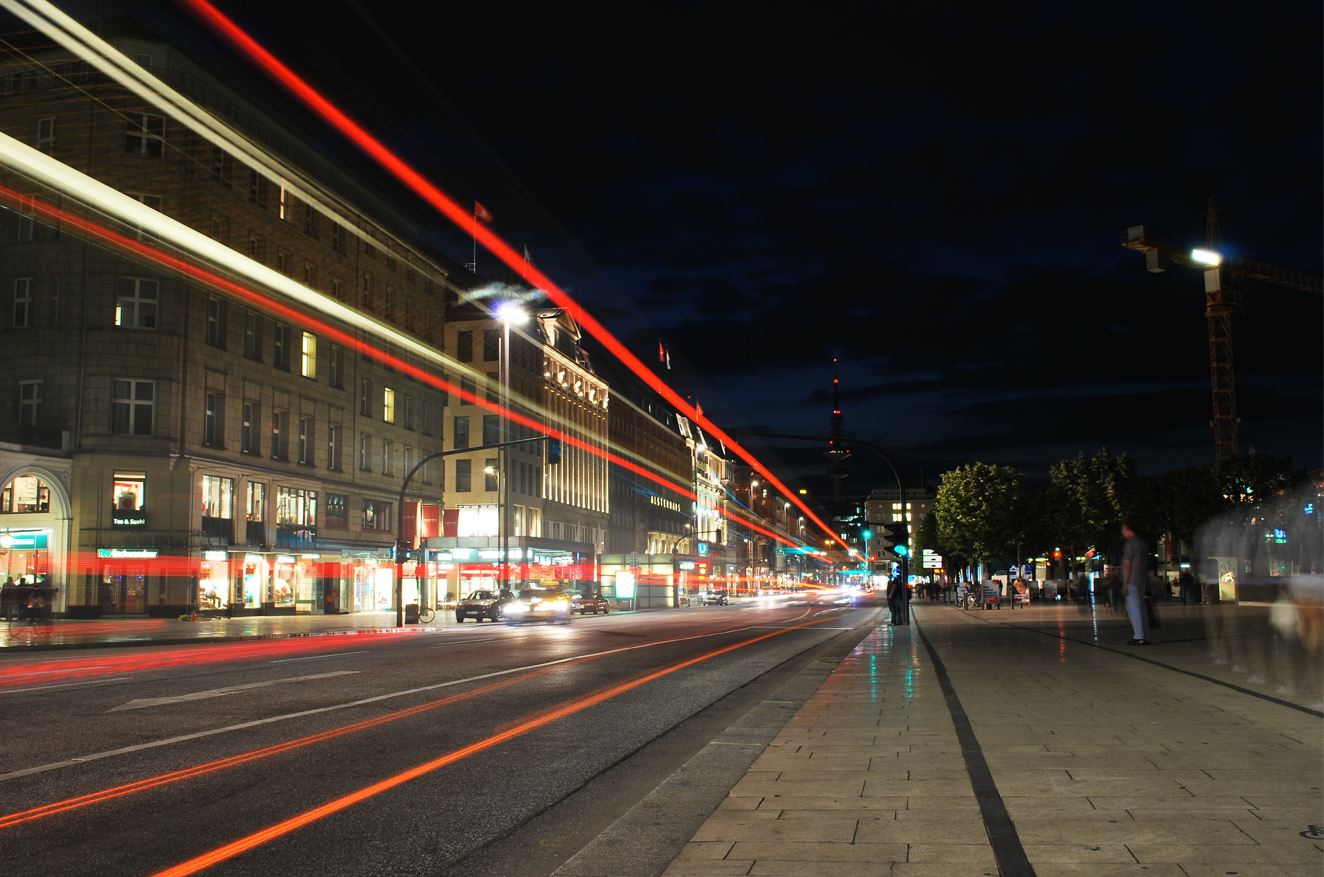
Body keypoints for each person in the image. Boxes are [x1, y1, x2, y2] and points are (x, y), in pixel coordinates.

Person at [1121, 522, 1151, 645]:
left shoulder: (1130, 543)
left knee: (1133, 607)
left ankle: (1138, 636)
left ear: (1128, 529)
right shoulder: (1143, 543)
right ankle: (1145, 635)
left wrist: (1124, 583)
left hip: (1132, 580)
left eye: (1123, 529)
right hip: (1141, 579)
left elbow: (1127, 565)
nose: (1122, 531)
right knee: (1141, 607)